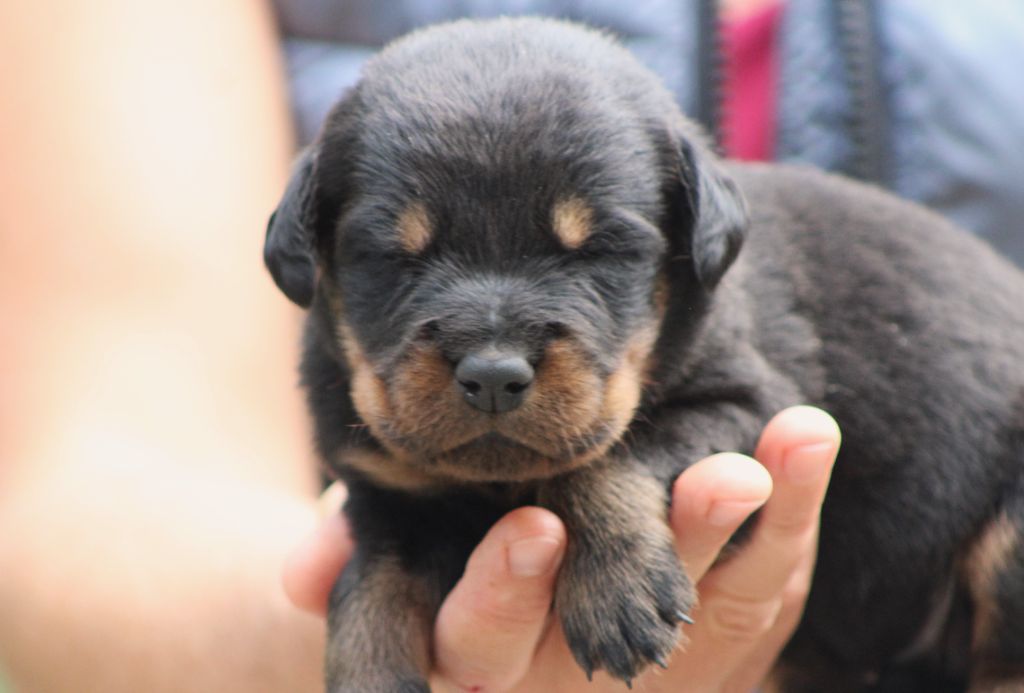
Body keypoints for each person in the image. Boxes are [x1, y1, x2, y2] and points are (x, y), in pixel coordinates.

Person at [0, 2, 1010, 693]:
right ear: (313, 253)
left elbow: (736, 415)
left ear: (689, 249)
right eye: (397, 261)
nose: (493, 363)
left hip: (976, 528)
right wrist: (341, 641)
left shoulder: (708, 331)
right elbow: (89, 483)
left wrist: (605, 501)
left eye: (596, 255)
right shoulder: (353, 397)